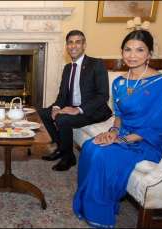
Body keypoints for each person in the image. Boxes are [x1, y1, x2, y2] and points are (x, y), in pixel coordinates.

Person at [73, 30, 162, 227]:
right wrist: (112, 133)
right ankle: (88, 205)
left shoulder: (161, 84)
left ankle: (99, 214)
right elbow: (118, 116)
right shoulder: (119, 82)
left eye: (139, 50)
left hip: (148, 140)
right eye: (127, 50)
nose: (132, 55)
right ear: (122, 52)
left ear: (149, 54)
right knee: (89, 147)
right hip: (123, 133)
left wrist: (122, 140)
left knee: (103, 155)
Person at [39, 30, 112, 171]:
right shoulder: (67, 68)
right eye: (70, 42)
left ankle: (69, 157)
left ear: (84, 45)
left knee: (62, 119)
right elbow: (62, 95)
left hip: (93, 110)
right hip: (72, 106)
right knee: (42, 113)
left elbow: (103, 96)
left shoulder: (96, 64)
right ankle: (61, 148)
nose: (73, 46)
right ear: (66, 46)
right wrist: (55, 108)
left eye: (78, 42)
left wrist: (77, 109)